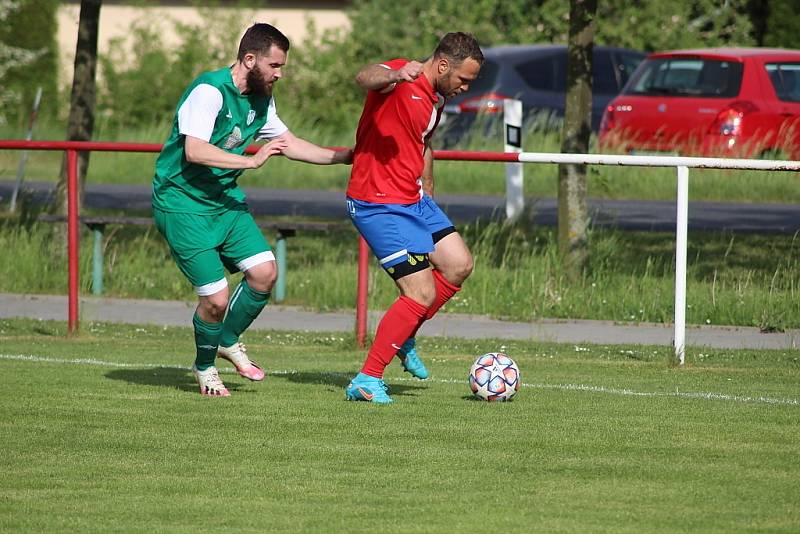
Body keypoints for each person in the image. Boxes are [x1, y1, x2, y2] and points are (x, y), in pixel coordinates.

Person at [152, 23, 352, 397]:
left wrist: (346, 157)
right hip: (182, 203)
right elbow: (195, 150)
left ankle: (227, 340)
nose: (279, 74)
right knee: (215, 299)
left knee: (264, 273)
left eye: (281, 67)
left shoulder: (262, 97)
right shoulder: (210, 91)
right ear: (249, 59)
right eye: (274, 66)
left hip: (223, 202)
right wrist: (252, 162)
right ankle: (205, 367)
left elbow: (287, 142)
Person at [344, 32, 483, 403]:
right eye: (463, 79)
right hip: (377, 202)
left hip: (413, 199)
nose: (464, 88)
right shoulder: (398, 78)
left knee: (458, 265)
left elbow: (422, 143)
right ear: (442, 65)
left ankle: (404, 333)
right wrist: (394, 75)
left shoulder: (434, 101)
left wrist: (429, 185)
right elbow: (364, 77)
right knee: (419, 292)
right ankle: (366, 379)